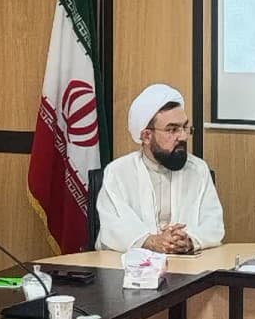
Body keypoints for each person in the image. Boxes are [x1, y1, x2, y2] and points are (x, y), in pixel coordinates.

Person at [96, 84, 224, 253]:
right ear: (146, 136)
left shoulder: (198, 170)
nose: (183, 136)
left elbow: (213, 224)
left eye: (185, 127)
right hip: (130, 265)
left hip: (187, 264)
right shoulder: (118, 173)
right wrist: (150, 241)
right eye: (172, 129)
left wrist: (188, 241)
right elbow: (113, 227)